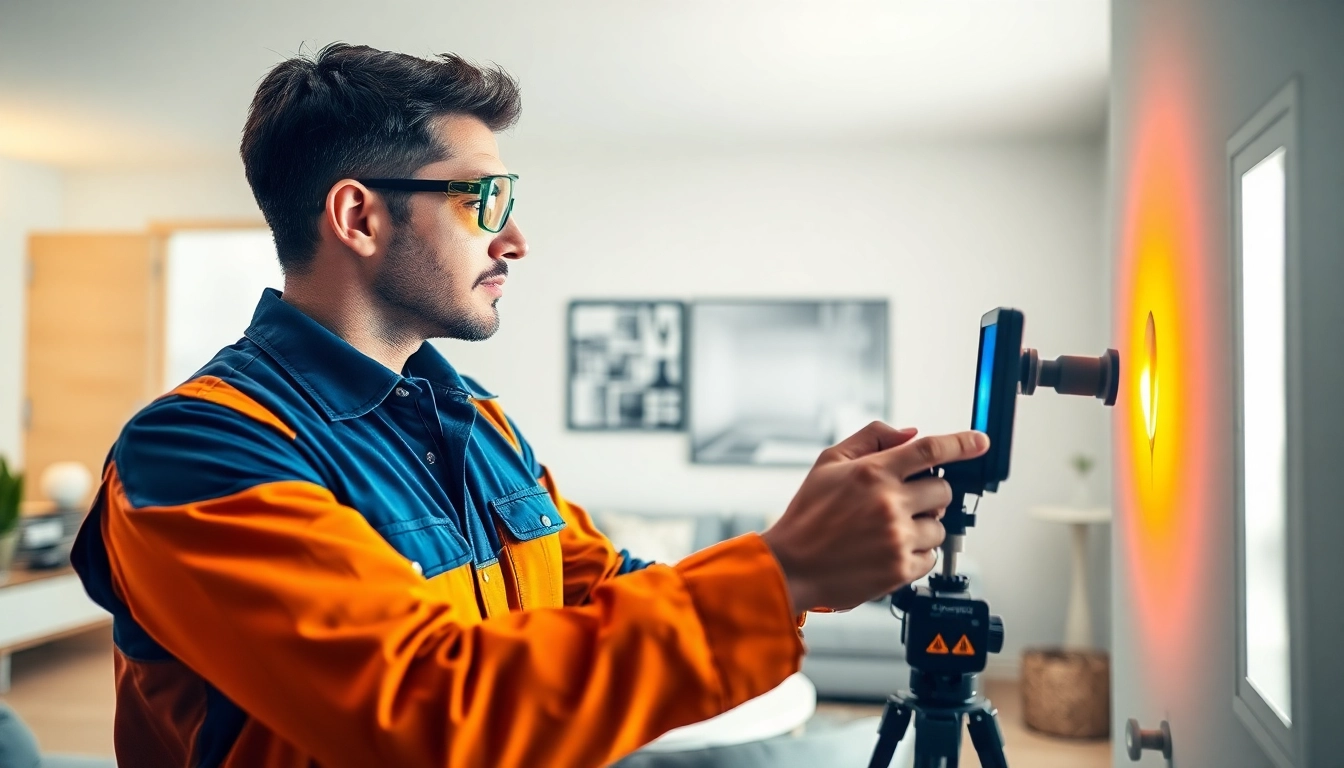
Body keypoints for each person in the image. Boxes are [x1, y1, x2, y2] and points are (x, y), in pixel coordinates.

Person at [71, 43, 988, 768]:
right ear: (358, 217)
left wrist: (806, 549)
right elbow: (425, 715)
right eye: (486, 198)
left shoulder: (475, 422)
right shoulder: (194, 453)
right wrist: (781, 573)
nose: (515, 238)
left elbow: (603, 584)